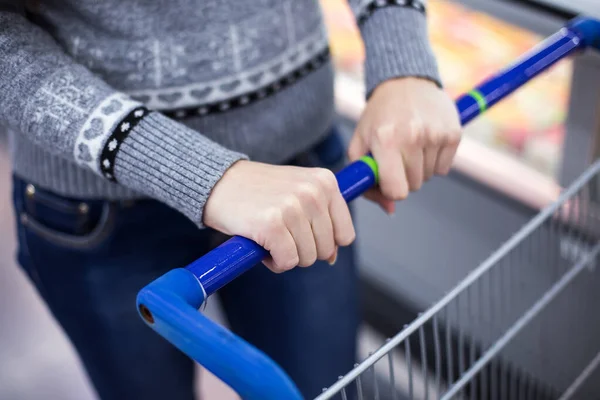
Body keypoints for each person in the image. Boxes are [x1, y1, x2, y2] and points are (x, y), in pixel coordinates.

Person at [1, 0, 461, 399]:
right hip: (93, 209)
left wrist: (401, 57)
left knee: (321, 388)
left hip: (300, 171)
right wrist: (200, 174)